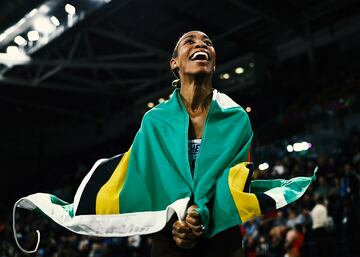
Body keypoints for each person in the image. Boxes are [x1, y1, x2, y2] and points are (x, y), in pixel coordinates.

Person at [151, 30, 245, 257]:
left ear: (213, 61)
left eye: (207, 43)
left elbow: (236, 179)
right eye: (189, 42)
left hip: (222, 233)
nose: (200, 45)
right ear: (175, 63)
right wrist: (175, 222)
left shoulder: (236, 118)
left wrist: (199, 212)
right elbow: (151, 182)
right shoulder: (155, 121)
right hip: (170, 234)